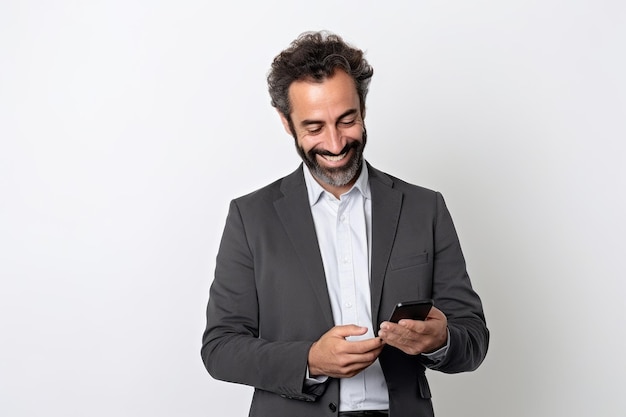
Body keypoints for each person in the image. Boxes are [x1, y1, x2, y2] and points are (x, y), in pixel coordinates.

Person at [201, 31, 489, 417]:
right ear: (287, 123)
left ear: (363, 109)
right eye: (315, 127)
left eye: (347, 120)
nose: (335, 144)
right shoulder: (251, 217)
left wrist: (440, 340)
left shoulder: (425, 208)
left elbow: (472, 337)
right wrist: (310, 360)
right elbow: (220, 348)